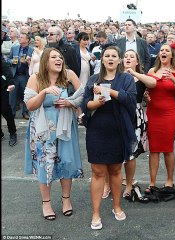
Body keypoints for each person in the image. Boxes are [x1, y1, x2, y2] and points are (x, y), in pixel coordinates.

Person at [24, 48, 84, 221]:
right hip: (43, 129)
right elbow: (29, 105)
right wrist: (44, 92)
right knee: (44, 164)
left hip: (65, 126)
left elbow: (82, 96)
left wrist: (69, 102)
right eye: (54, 57)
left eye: (60, 57)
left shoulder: (69, 74)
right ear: (45, 61)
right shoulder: (36, 78)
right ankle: (46, 203)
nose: (59, 59)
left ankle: (66, 200)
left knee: (66, 162)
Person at [81, 46, 137, 229]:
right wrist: (95, 103)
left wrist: (111, 92)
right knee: (97, 172)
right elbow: (84, 105)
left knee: (115, 170)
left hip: (118, 131)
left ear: (119, 60)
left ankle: (116, 206)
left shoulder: (127, 79)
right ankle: (95, 213)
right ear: (102, 59)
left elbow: (130, 100)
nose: (111, 58)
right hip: (97, 131)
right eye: (107, 56)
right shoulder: (93, 79)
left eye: (114, 56)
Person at [145, 43, 175, 193]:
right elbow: (148, 92)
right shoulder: (152, 71)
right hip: (153, 112)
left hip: (169, 114)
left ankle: (169, 180)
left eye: (167, 51)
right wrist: (146, 98)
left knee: (168, 148)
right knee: (154, 149)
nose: (163, 52)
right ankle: (152, 182)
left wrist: (174, 80)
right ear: (159, 55)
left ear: (171, 55)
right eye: (161, 50)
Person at [122, 49, 156, 201]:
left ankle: (129, 185)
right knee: (113, 151)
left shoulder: (141, 77)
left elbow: (153, 83)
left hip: (135, 116)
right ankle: (108, 185)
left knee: (130, 154)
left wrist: (133, 73)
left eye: (131, 56)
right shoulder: (116, 76)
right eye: (125, 56)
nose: (128, 58)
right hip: (118, 114)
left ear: (137, 61)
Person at [1, 56, 17, 146]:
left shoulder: (2, 62)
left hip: (2, 89)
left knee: (5, 110)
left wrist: (11, 83)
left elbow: (7, 71)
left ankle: (13, 133)